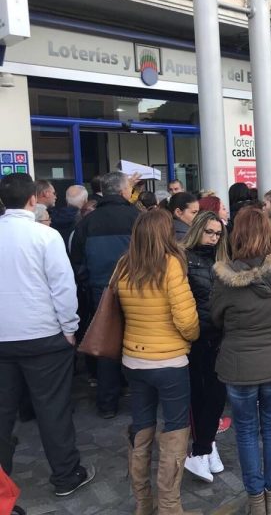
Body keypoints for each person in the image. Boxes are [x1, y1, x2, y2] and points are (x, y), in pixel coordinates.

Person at [0, 173, 96, 497]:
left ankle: (2, 482)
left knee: (2, 415)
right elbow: (63, 286)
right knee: (52, 410)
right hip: (43, 336)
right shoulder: (45, 236)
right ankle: (66, 475)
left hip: (3, 338)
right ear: (33, 200)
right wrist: (70, 328)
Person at [211, 207, 271, 514]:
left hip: (239, 364)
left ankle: (256, 501)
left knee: (246, 430)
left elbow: (216, 317)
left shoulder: (224, 274)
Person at [116, 210, 199, 515]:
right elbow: (186, 319)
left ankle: (143, 504)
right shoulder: (172, 264)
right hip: (169, 361)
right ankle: (170, 507)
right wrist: (190, 339)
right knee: (175, 430)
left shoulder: (123, 265)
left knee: (141, 428)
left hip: (133, 359)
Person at [70, 171, 141, 419]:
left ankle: (107, 403)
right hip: (136, 290)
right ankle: (139, 396)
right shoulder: (137, 218)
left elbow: (77, 262)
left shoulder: (87, 223)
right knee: (138, 339)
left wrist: (90, 284)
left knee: (107, 343)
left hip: (101, 290)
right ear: (124, 191)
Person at [181, 212, 230, 484]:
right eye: (209, 232)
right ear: (198, 229)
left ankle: (206, 446)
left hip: (219, 335)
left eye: (217, 233)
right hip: (195, 337)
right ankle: (201, 449)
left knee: (216, 394)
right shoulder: (182, 258)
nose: (213, 237)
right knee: (200, 396)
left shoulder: (221, 259)